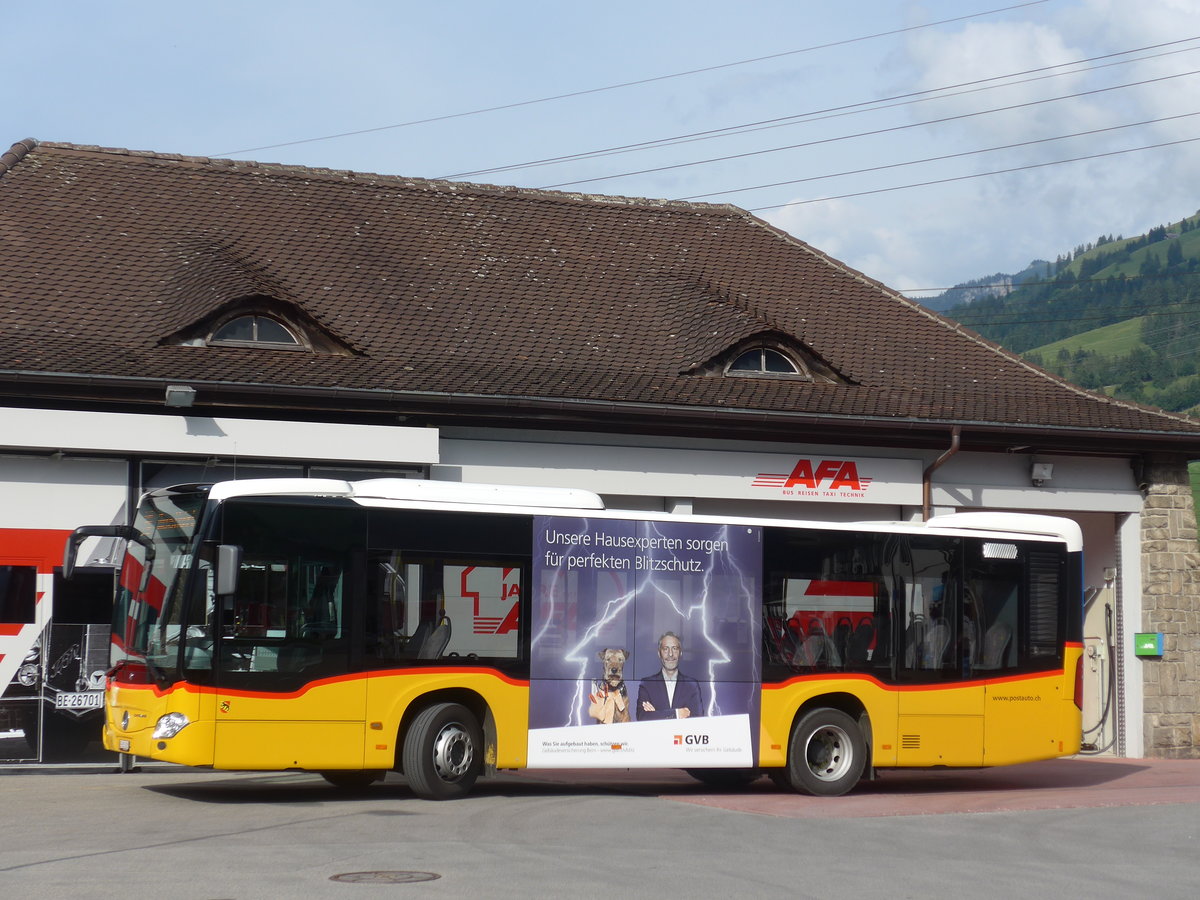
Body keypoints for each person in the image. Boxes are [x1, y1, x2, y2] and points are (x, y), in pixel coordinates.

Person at [636, 631, 704, 720]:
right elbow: (642, 717)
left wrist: (656, 714)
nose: (670, 654)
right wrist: (676, 714)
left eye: (675, 648)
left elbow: (698, 720)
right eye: (665, 649)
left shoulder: (692, 685)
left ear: (680, 653)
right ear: (659, 653)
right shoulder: (647, 684)